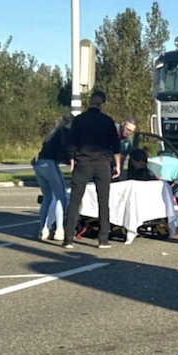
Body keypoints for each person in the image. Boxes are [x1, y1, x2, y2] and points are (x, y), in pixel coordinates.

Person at [62, 91, 122, 250]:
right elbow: (115, 146)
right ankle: (103, 239)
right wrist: (117, 165)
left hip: (83, 162)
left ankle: (68, 238)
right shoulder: (107, 121)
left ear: (89, 102)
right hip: (102, 163)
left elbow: (71, 143)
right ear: (102, 104)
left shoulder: (79, 120)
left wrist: (72, 160)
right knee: (103, 201)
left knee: (75, 201)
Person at [33, 113, 73, 242]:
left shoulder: (52, 133)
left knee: (47, 197)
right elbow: (65, 152)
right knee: (61, 197)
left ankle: (43, 229)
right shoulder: (64, 132)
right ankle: (59, 230)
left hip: (38, 164)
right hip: (50, 164)